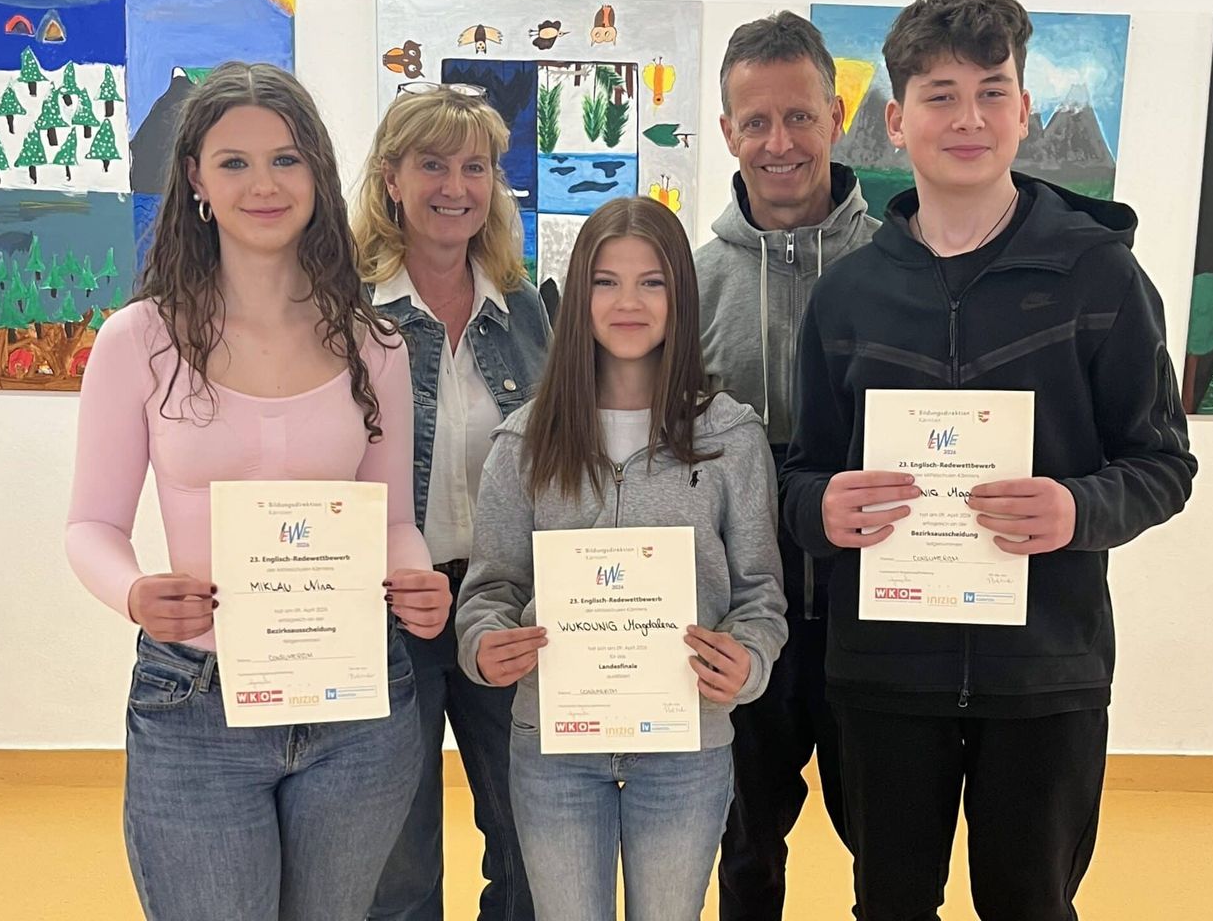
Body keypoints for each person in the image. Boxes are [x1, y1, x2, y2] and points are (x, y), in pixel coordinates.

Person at [781, 0, 1197, 921]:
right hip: (884, 676)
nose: (968, 117)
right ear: (896, 119)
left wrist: (1077, 510)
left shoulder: (1100, 275)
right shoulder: (847, 297)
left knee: (1031, 903)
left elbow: (1164, 462)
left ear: (1021, 108)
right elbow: (799, 473)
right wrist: (821, 510)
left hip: (1046, 675)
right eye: (940, 94)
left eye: (992, 90)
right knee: (889, 904)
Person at [64, 62, 452, 921]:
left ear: (315, 172)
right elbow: (91, 523)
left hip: (358, 703)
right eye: (233, 162)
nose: (263, 183)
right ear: (196, 181)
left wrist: (417, 580)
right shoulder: (139, 339)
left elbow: (391, 522)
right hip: (195, 703)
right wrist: (133, 592)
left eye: (285, 158)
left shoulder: (376, 345)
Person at [456, 196, 788, 921]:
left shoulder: (731, 438)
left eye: (653, 282)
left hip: (686, 743)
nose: (628, 301)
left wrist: (749, 660)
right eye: (606, 281)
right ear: (579, 297)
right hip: (555, 745)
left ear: (682, 294)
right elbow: (490, 589)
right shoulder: (525, 442)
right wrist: (485, 647)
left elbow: (761, 594)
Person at [693, 10, 877, 920]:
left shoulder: (901, 268)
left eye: (799, 116)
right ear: (727, 131)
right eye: (755, 121)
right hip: (740, 621)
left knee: (888, 854)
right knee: (746, 859)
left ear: (836, 115)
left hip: (874, 619)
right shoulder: (688, 285)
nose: (779, 142)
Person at [354, 86, 548, 921]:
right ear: (391, 177)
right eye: (432, 164)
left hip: (501, 606)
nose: (455, 186)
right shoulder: (344, 308)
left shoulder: (528, 310)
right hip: (383, 609)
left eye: (475, 167)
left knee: (532, 845)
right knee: (396, 867)